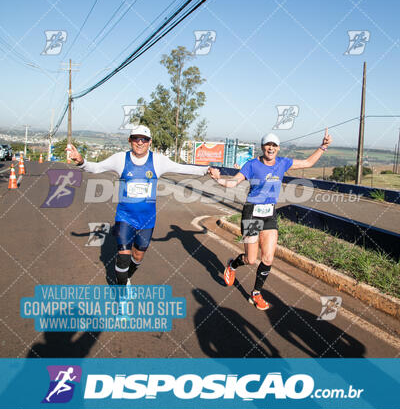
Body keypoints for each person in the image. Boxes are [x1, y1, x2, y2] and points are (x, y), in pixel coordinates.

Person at [68, 126, 211, 285]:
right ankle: (121, 293)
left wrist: (206, 170)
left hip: (147, 220)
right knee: (123, 256)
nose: (140, 142)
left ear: (150, 142)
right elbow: (96, 168)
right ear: (130, 140)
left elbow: (182, 168)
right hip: (125, 216)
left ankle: (127, 277)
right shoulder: (120, 159)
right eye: (136, 138)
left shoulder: (158, 161)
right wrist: (81, 161)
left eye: (144, 139)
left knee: (137, 257)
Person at [209, 128, 332, 310]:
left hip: (269, 215)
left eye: (274, 145)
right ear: (262, 147)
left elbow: (307, 162)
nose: (271, 148)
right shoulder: (252, 165)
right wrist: (218, 180)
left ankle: (256, 293)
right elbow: (234, 182)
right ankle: (232, 265)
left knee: (268, 258)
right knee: (251, 259)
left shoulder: (283, 163)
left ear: (278, 148)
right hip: (252, 213)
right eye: (268, 145)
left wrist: (322, 147)